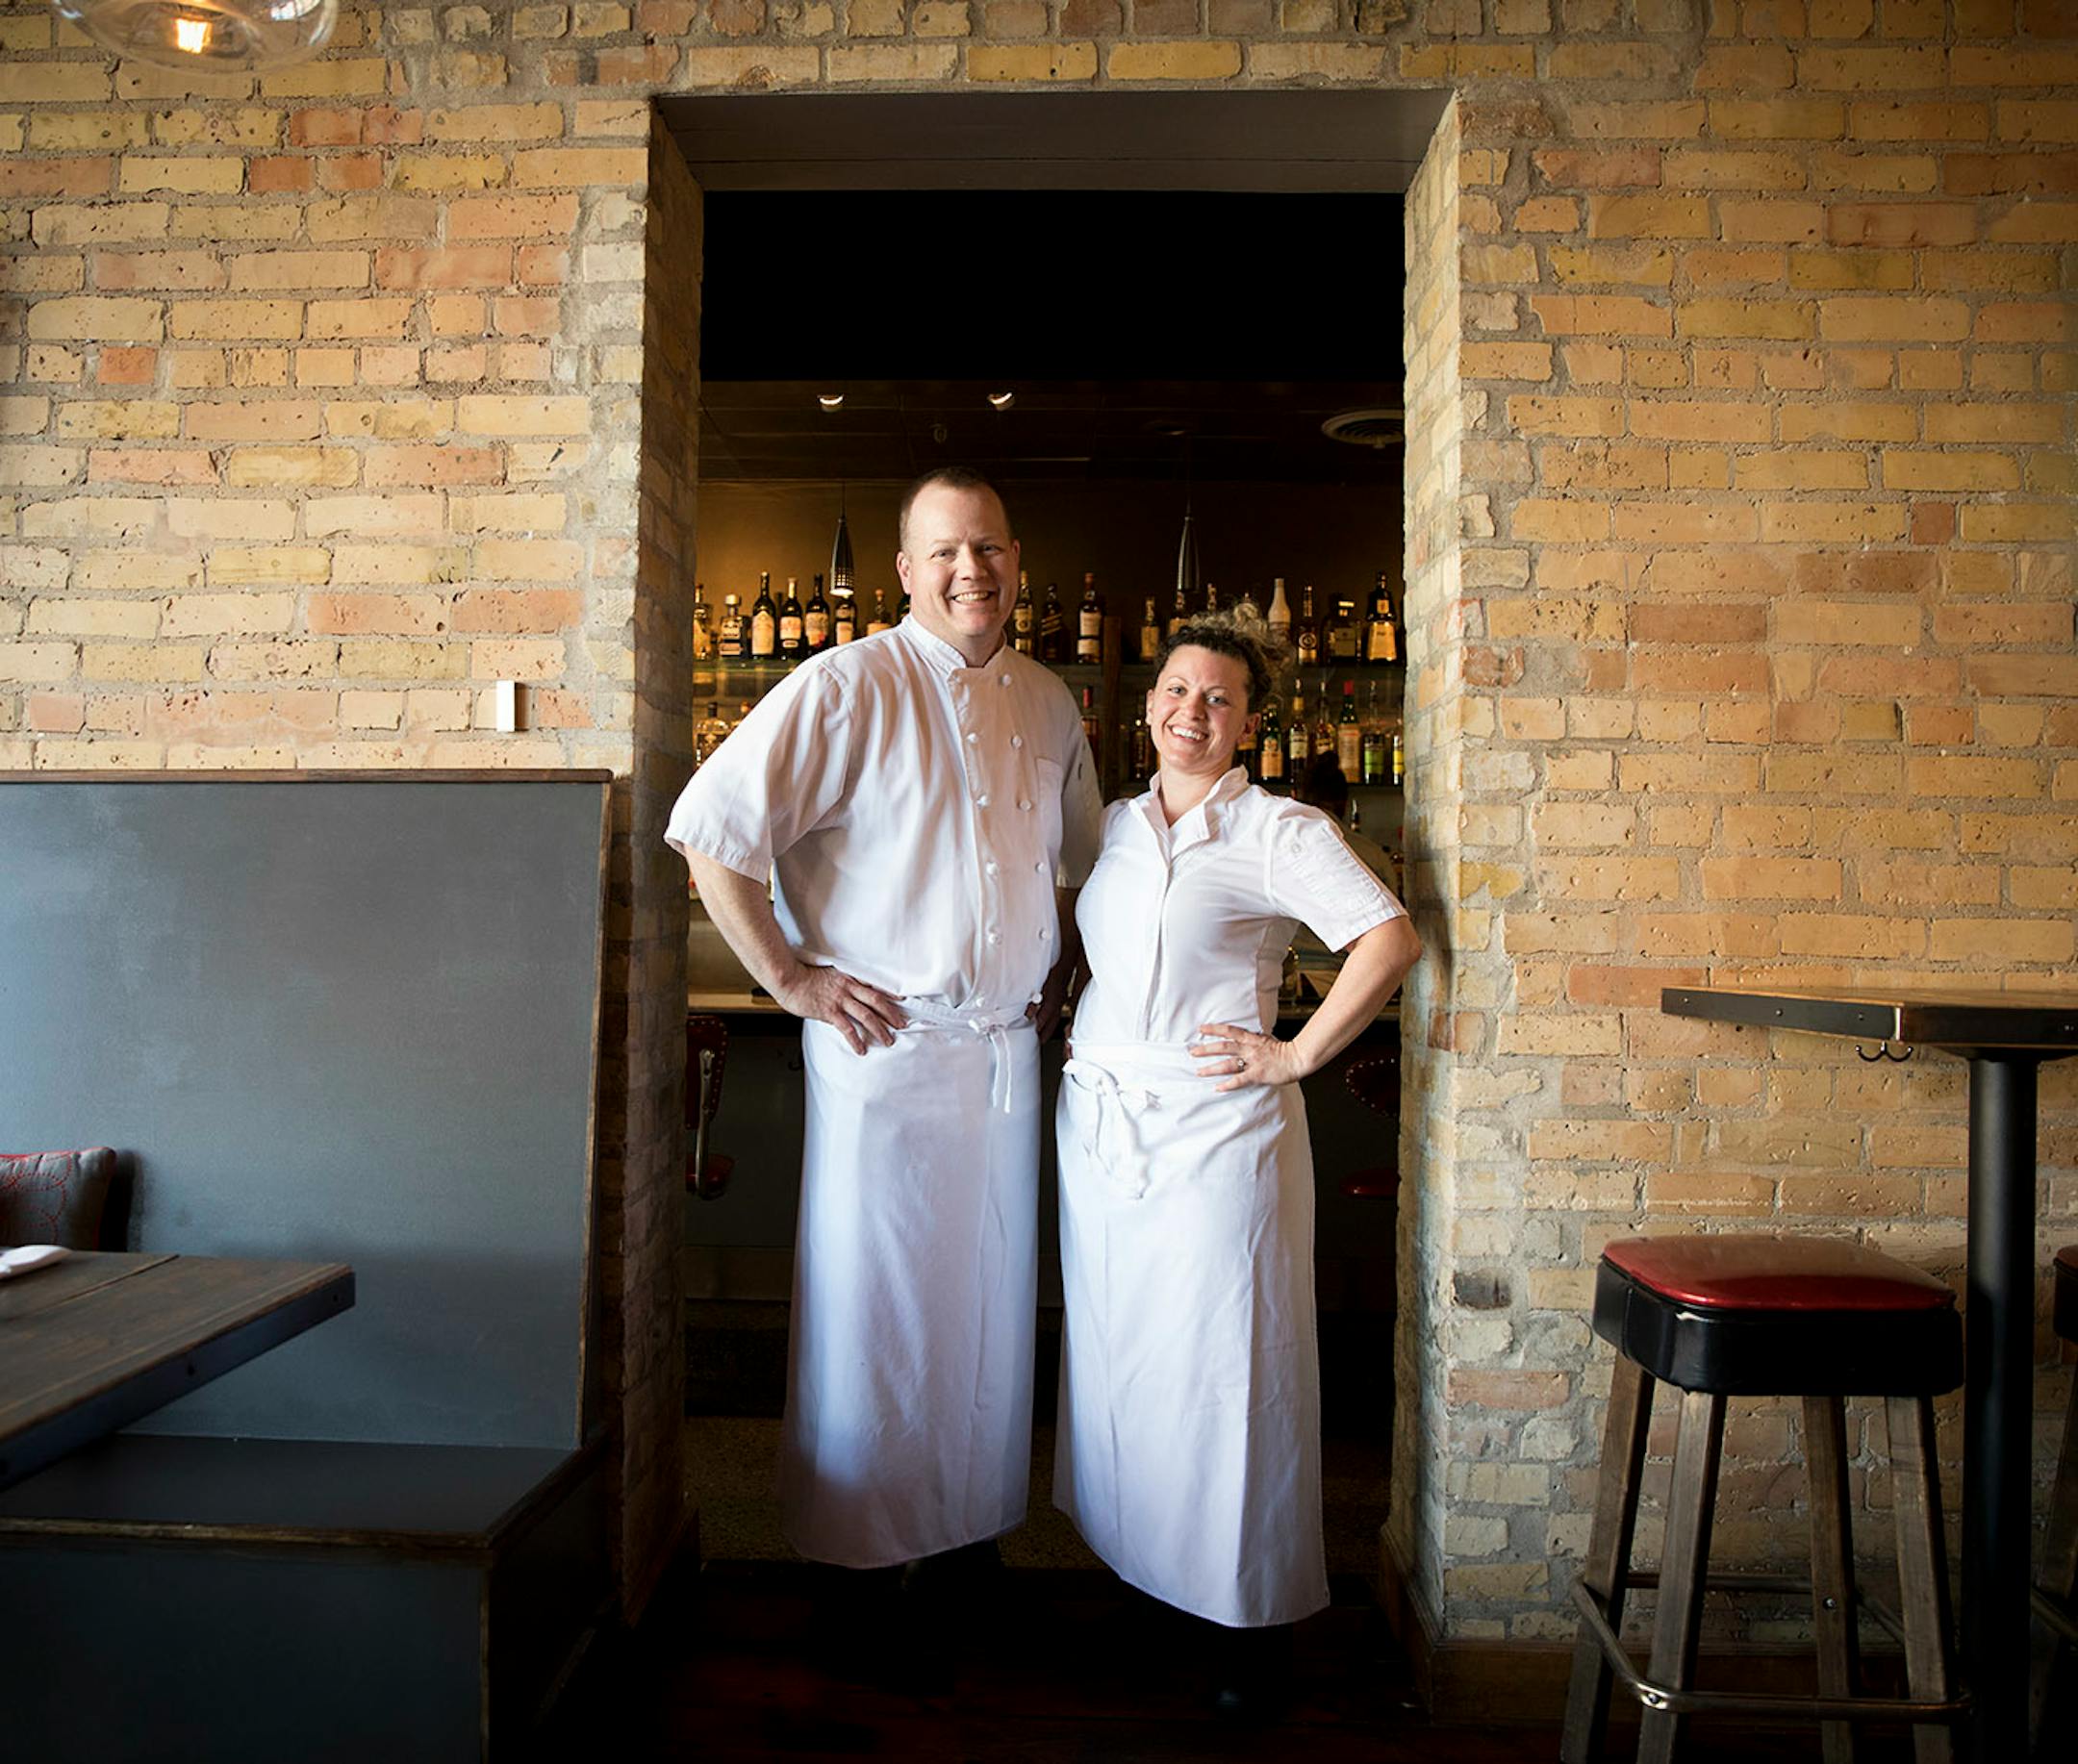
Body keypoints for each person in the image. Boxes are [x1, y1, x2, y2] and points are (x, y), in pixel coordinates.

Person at [666, 467, 1102, 1589]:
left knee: (990, 1318)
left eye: (992, 549)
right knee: (876, 1313)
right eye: (947, 551)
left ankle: (966, 1536)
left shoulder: (1053, 703)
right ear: (906, 570)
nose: (974, 570)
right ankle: (859, 1564)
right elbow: (712, 835)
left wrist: (1062, 968)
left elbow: (1084, 867)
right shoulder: (844, 682)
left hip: (1006, 1057)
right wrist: (791, 978)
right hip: (886, 1051)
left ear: (1017, 563)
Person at [1052, 614, 1421, 1715]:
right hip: (1107, 1130)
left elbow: (1388, 937)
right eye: (1176, 691)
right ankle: (1148, 1584)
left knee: (1225, 1374)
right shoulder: (1112, 826)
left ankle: (1244, 1627)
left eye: (1217, 699)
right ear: (1147, 705)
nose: (1190, 713)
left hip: (1219, 1132)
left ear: (1251, 722)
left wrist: (1297, 1054)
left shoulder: (1276, 826)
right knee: (1124, 1367)